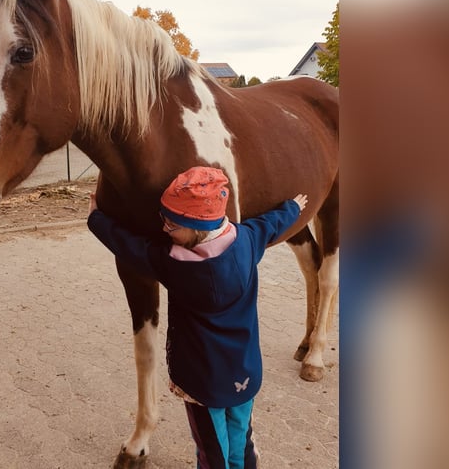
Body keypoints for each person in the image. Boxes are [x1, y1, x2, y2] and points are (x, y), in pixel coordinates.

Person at [87, 166, 307, 469]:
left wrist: (95, 218)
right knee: (240, 437)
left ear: (196, 227)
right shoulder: (246, 240)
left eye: (172, 224)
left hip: (202, 382)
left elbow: (127, 245)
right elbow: (271, 224)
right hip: (244, 373)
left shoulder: (174, 266)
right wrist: (293, 208)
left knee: (211, 450)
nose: (164, 229)